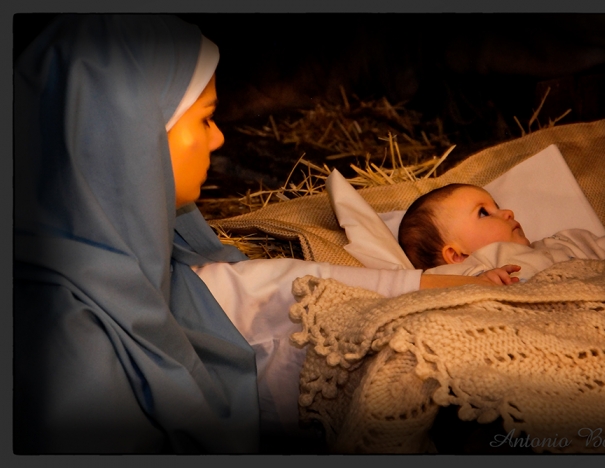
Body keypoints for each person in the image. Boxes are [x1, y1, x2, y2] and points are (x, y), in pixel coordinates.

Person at [13, 15, 496, 454]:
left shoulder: (139, 261)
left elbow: (258, 288)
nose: (219, 138)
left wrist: (426, 287)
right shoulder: (68, 357)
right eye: (204, 118)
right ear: (133, 139)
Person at [398, 183, 605, 281]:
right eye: (484, 212)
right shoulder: (473, 272)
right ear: (456, 255)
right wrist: (477, 280)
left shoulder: (563, 243)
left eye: (497, 206)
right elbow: (434, 288)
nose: (507, 212)